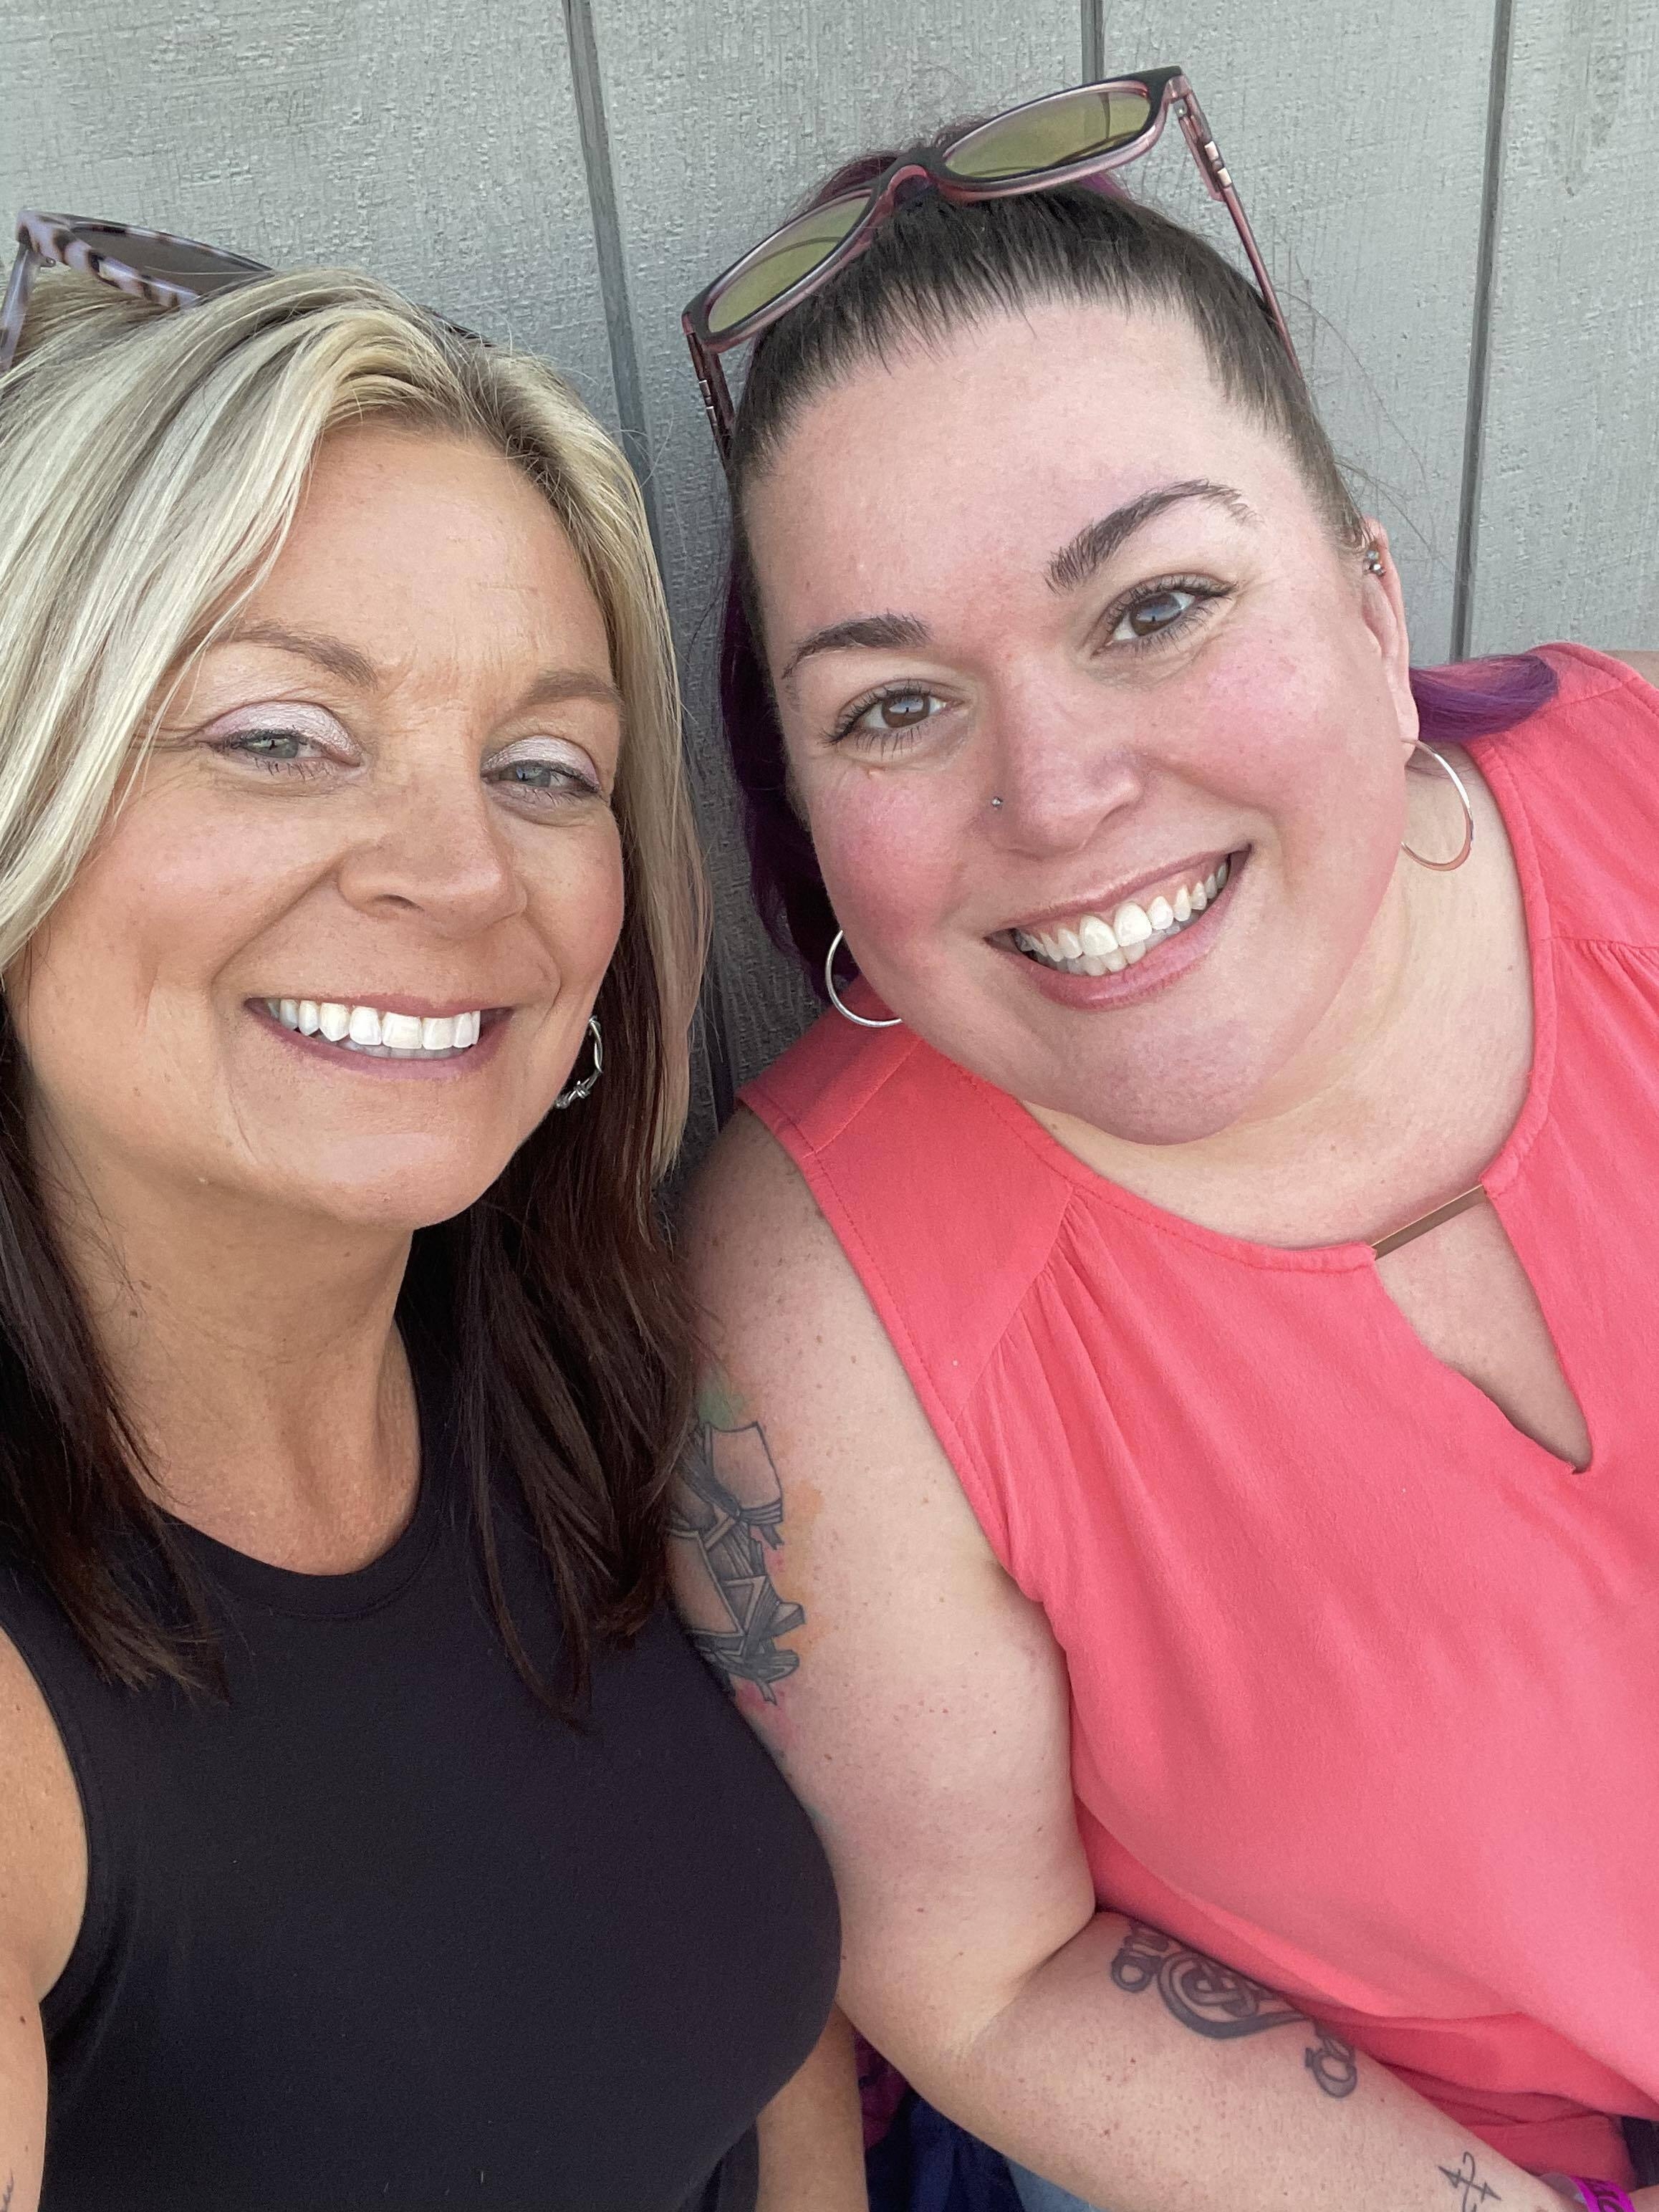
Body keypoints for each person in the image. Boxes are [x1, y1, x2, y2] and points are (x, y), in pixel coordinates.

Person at [668, 75, 1659, 2212]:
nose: (1056, 795)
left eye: (1153, 608)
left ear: (1374, 608)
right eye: (894, 704)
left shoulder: (1644, 794)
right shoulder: (812, 1308)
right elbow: (984, 1974)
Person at [0, 218, 855, 2212]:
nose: (462, 872)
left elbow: (759, 2035)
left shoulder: (573, 1369)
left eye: (546, 768)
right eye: (278, 739)